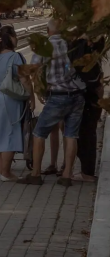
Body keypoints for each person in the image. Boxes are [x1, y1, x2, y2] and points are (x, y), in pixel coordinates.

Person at [18, 19, 86, 187]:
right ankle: (67, 175)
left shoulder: (45, 45)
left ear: (48, 31)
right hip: (78, 94)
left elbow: (34, 69)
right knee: (71, 135)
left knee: (39, 133)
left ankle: (35, 174)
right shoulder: (72, 44)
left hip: (58, 95)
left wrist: (37, 91)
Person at [0, 26, 34, 182]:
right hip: (11, 98)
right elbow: (24, 80)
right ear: (12, 38)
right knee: (10, 134)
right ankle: (6, 172)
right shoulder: (15, 57)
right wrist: (31, 96)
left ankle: (1, 170)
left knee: (1, 133)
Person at [71, 36, 105, 182]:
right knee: (87, 133)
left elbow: (81, 71)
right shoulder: (94, 54)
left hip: (87, 98)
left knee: (85, 134)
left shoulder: (86, 54)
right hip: (93, 97)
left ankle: (87, 173)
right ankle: (87, 170)